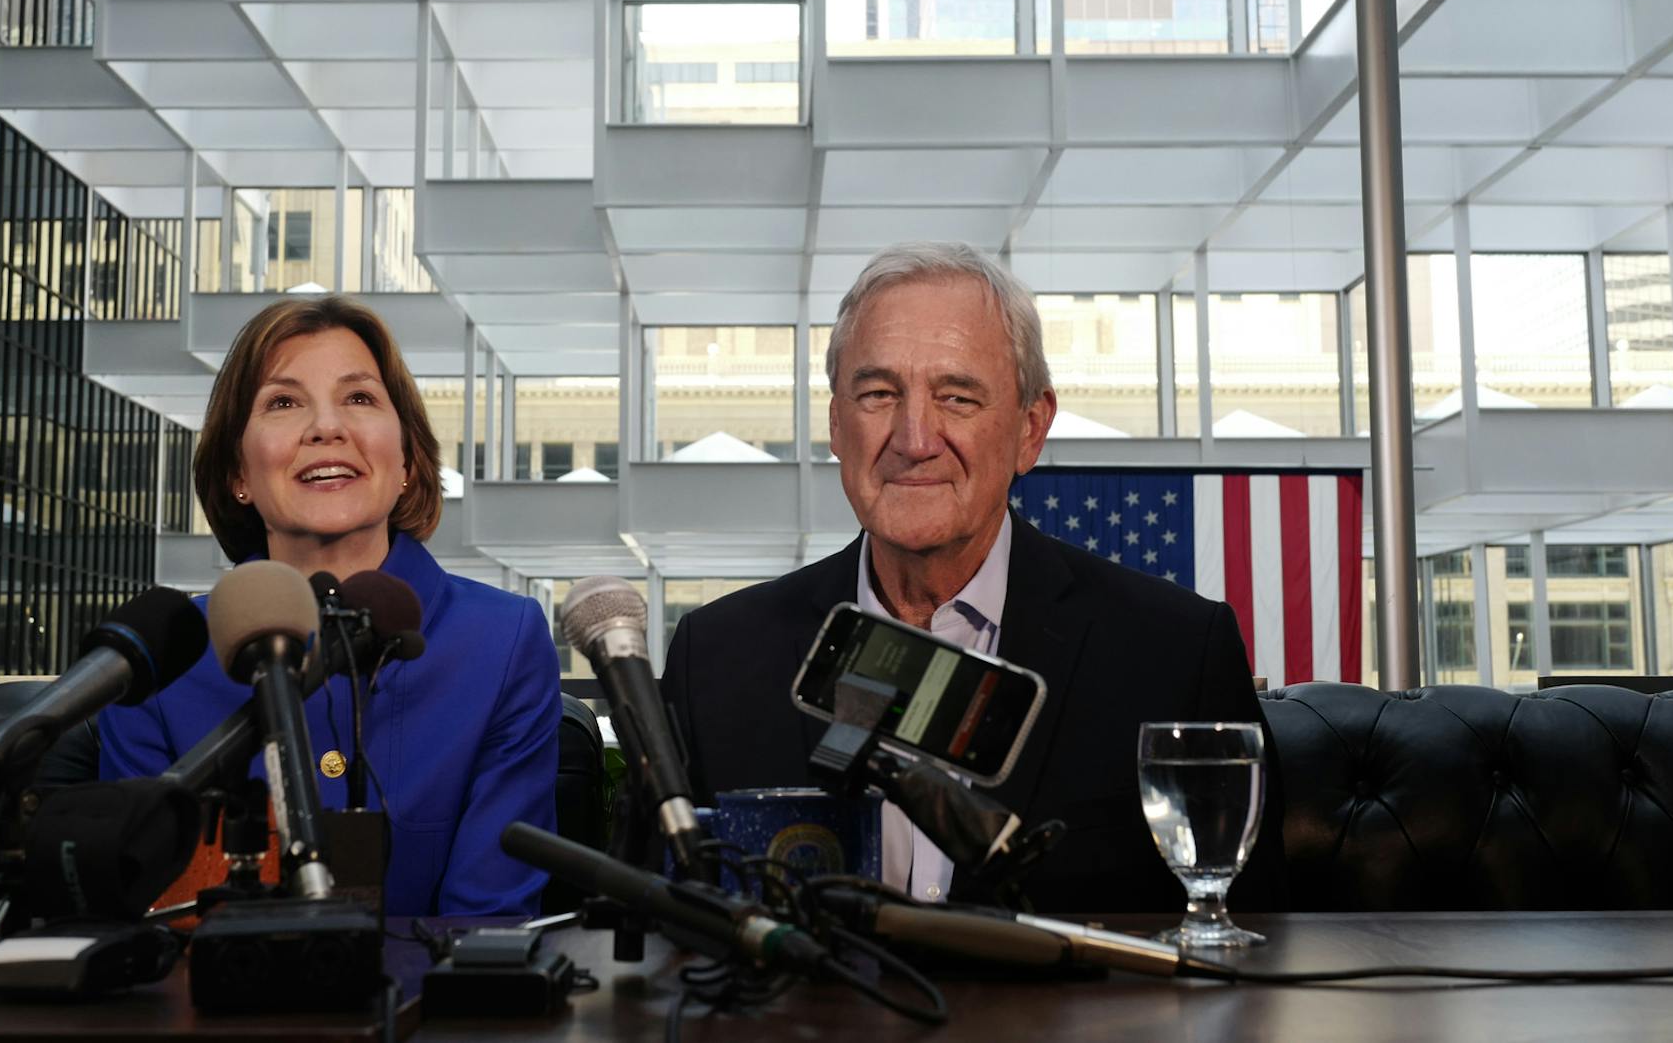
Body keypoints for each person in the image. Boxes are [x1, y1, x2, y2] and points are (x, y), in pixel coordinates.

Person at [659, 242, 1286, 914]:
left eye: (957, 397)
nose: (915, 436)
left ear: (1030, 428)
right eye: (878, 394)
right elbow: (651, 934)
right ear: (837, 424)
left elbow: (1257, 945)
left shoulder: (1176, 655)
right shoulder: (716, 657)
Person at [97, 295, 559, 917]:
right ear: (238, 470)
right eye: (283, 403)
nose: (325, 427)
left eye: (360, 398)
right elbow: (149, 922)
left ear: (406, 462)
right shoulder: (161, 658)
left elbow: (487, 920)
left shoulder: (505, 640)